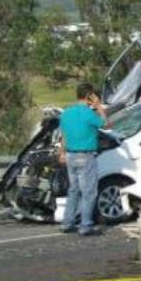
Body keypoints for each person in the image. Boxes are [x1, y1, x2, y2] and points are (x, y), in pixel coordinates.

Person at [58, 83, 107, 237]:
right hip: (86, 156)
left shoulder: (66, 113)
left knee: (73, 190)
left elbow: (63, 136)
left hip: (70, 156)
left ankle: (67, 222)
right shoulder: (88, 113)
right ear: (89, 97)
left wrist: (62, 153)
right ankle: (85, 225)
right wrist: (98, 106)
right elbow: (105, 123)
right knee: (88, 192)